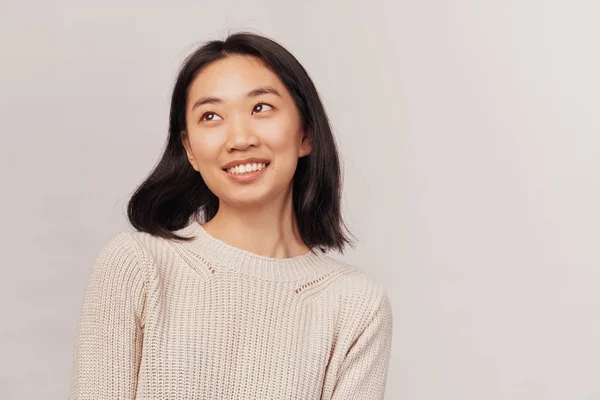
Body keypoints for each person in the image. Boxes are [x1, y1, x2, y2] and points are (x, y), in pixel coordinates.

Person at [69, 31, 393, 399]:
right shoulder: (138, 266)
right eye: (211, 116)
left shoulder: (356, 305)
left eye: (261, 108)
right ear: (189, 149)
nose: (239, 138)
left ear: (306, 133)